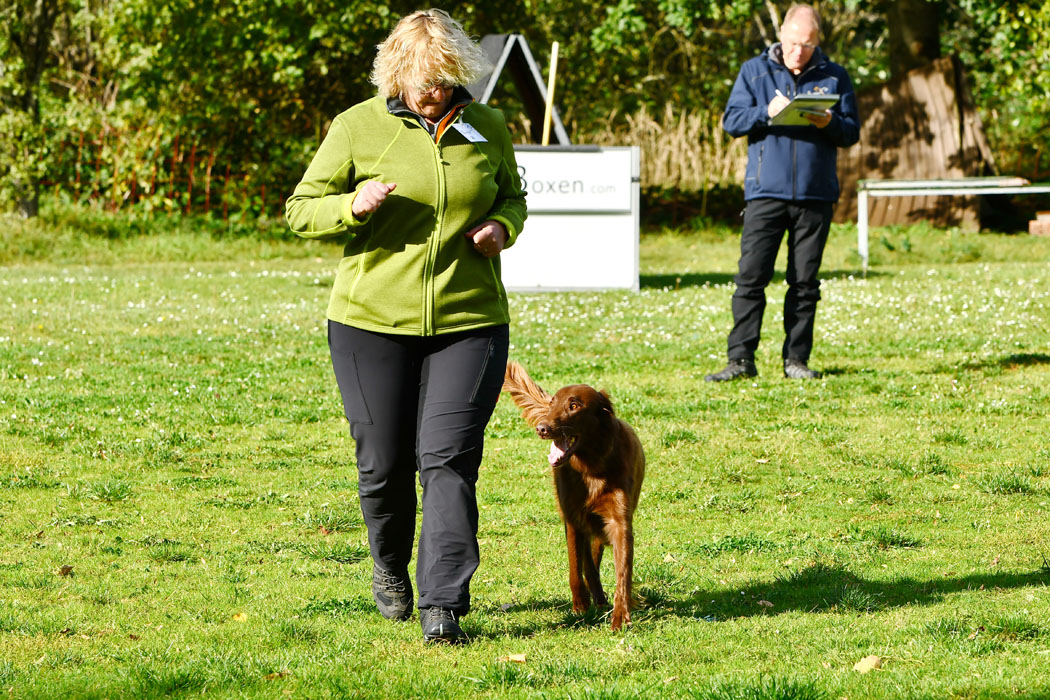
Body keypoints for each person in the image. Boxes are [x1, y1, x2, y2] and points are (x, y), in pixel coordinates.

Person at [285, 9, 526, 644]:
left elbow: (512, 196)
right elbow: (300, 210)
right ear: (397, 72)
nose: (433, 93)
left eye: (445, 81)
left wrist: (503, 226)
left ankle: (442, 603)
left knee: (447, 461)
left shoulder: (488, 125)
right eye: (422, 80)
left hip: (469, 321)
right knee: (385, 465)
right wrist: (351, 205)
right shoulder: (357, 127)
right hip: (369, 323)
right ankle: (390, 566)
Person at [706, 3, 860, 382]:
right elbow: (732, 122)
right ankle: (740, 360)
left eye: (807, 45)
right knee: (751, 279)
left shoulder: (835, 76)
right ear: (781, 35)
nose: (798, 52)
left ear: (817, 41)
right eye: (793, 43)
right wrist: (765, 112)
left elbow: (851, 132)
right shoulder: (753, 72)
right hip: (765, 194)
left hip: (815, 195)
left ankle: (796, 361)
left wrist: (829, 121)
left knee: (805, 283)